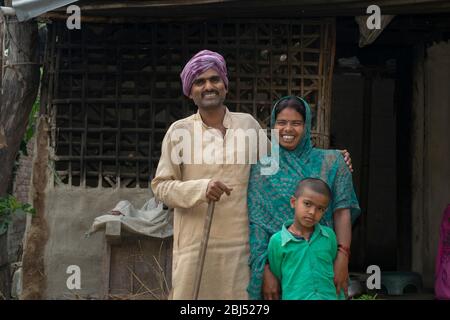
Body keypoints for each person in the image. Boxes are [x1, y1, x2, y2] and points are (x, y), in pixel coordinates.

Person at [151, 50, 265, 299]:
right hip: (195, 248)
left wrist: (332, 159)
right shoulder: (178, 131)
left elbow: (275, 175)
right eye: (200, 82)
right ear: (190, 92)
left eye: (214, 79)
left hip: (241, 248)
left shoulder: (248, 125)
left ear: (225, 86)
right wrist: (200, 189)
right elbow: (161, 187)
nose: (208, 86)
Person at [247, 96, 360, 300]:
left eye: (296, 123)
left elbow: (342, 212)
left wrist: (343, 258)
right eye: (281, 123)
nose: (288, 129)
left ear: (307, 126)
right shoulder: (263, 169)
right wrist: (266, 271)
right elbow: (258, 226)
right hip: (281, 265)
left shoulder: (332, 162)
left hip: (322, 261)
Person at [267, 177, 345, 300]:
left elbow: (333, 259)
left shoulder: (329, 236)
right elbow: (277, 271)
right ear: (293, 202)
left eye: (320, 209)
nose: (312, 212)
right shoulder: (278, 241)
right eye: (307, 204)